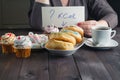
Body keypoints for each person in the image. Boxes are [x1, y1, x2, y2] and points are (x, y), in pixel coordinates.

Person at [28, 0, 118, 36]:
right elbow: (36, 24)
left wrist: (98, 25)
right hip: (48, 49)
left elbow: (112, 16)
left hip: (82, 49)